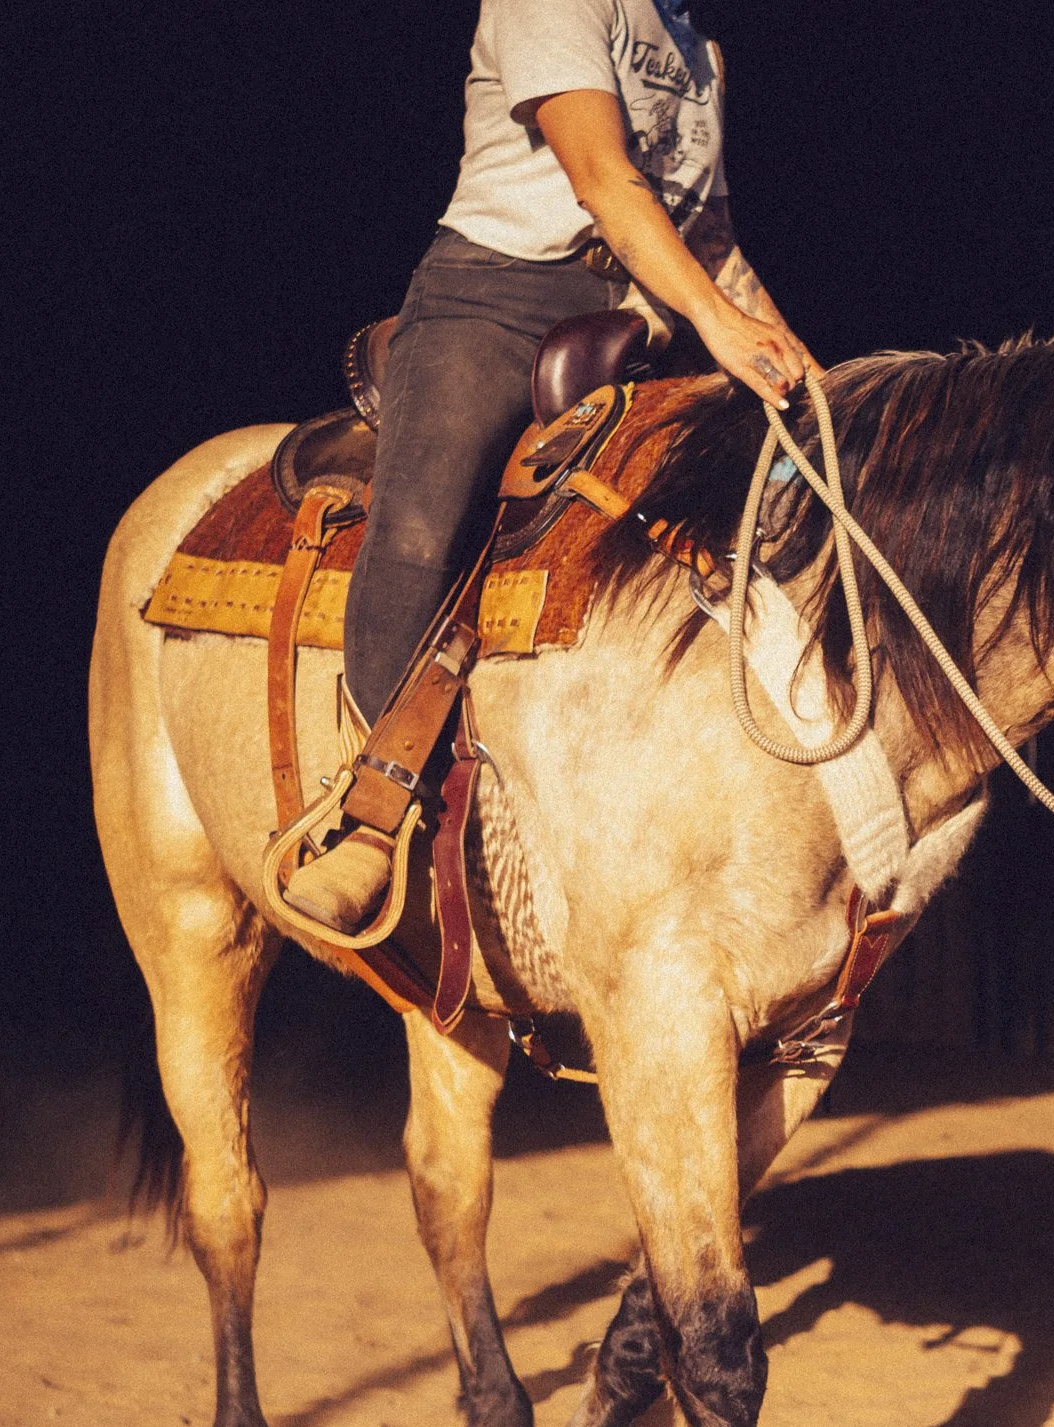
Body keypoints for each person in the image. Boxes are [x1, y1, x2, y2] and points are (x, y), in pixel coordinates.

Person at [288, 0, 815, 929]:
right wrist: (718, 325)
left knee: (781, 488)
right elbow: (605, 179)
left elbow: (712, 238)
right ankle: (373, 808)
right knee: (423, 523)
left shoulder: (701, 51)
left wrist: (792, 357)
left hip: (646, 310)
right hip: (498, 297)